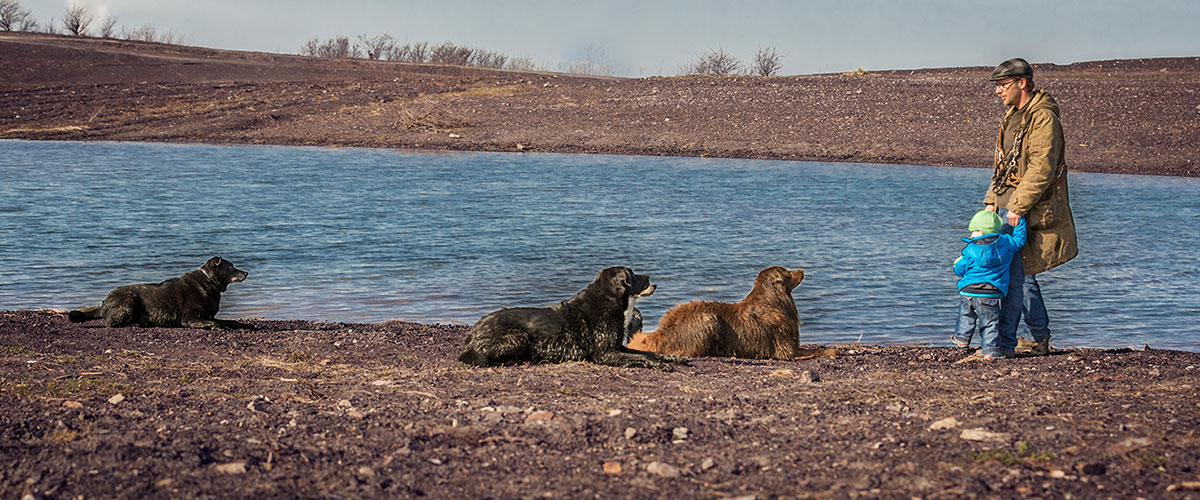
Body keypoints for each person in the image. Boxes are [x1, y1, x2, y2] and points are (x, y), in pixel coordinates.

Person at [983, 58, 1078, 356]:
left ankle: (1031, 338)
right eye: (997, 86)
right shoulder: (1014, 115)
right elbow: (1003, 163)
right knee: (1017, 270)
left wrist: (1019, 205)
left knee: (1019, 271)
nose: (998, 91)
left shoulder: (1044, 119)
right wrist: (991, 200)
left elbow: (1041, 167)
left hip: (1027, 207)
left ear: (1022, 83)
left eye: (1003, 85)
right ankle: (1031, 337)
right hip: (1010, 201)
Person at [952, 210, 1027, 359]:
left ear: (980, 231)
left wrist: (956, 265)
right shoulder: (1006, 243)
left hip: (968, 290)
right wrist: (1020, 220)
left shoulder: (970, 248)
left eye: (973, 231)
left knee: (966, 315)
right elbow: (1020, 238)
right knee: (990, 322)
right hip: (991, 291)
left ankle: (961, 339)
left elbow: (960, 269)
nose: (971, 234)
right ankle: (991, 351)